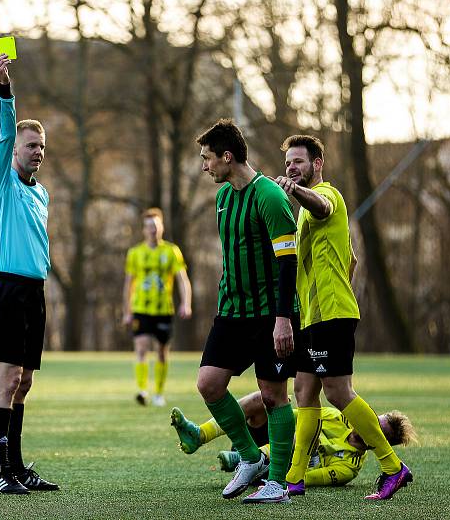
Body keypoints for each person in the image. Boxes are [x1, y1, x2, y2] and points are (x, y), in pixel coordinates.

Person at [273, 134, 413, 500]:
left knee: (338, 391)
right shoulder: (302, 213)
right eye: (288, 163)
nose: (291, 168)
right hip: (313, 318)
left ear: (316, 164)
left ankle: (392, 467)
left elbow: (321, 206)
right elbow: (352, 259)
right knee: (304, 391)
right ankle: (294, 479)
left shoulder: (328, 195)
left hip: (331, 315)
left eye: (298, 162)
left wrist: (293, 189)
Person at [194, 119, 299, 504]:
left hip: (271, 315)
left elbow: (288, 262)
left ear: (227, 156)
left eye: (207, 158)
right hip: (231, 312)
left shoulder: (269, 196)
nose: (204, 166)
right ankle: (251, 458)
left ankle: (278, 484)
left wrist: (283, 319)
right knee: (208, 384)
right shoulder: (223, 199)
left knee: (273, 396)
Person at [0, 54, 59, 495]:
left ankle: (16, 466)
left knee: (25, 381)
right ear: (15, 149)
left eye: (42, 147)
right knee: (6, 378)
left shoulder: (41, 191)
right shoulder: (0, 181)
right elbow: (4, 128)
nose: (38, 152)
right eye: (31, 146)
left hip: (35, 292)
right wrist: (5, 87)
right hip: (8, 290)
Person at [170, 392, 417, 489]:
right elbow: (292, 417)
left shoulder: (349, 467)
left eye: (377, 427)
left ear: (378, 442)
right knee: (270, 398)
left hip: (277, 469)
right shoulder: (337, 417)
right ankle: (200, 435)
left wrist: (275, 481)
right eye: (373, 417)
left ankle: (250, 460)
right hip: (268, 439)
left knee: (303, 440)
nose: (370, 421)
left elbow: (309, 478)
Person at [122, 207, 192, 407]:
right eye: (148, 227)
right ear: (143, 230)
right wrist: (127, 312)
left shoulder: (171, 251)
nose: (152, 230)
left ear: (161, 227)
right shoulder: (135, 253)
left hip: (163, 310)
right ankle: (142, 390)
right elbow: (128, 284)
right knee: (141, 348)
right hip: (141, 309)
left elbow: (182, 279)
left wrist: (186, 303)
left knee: (161, 351)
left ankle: (159, 393)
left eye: (155, 226)